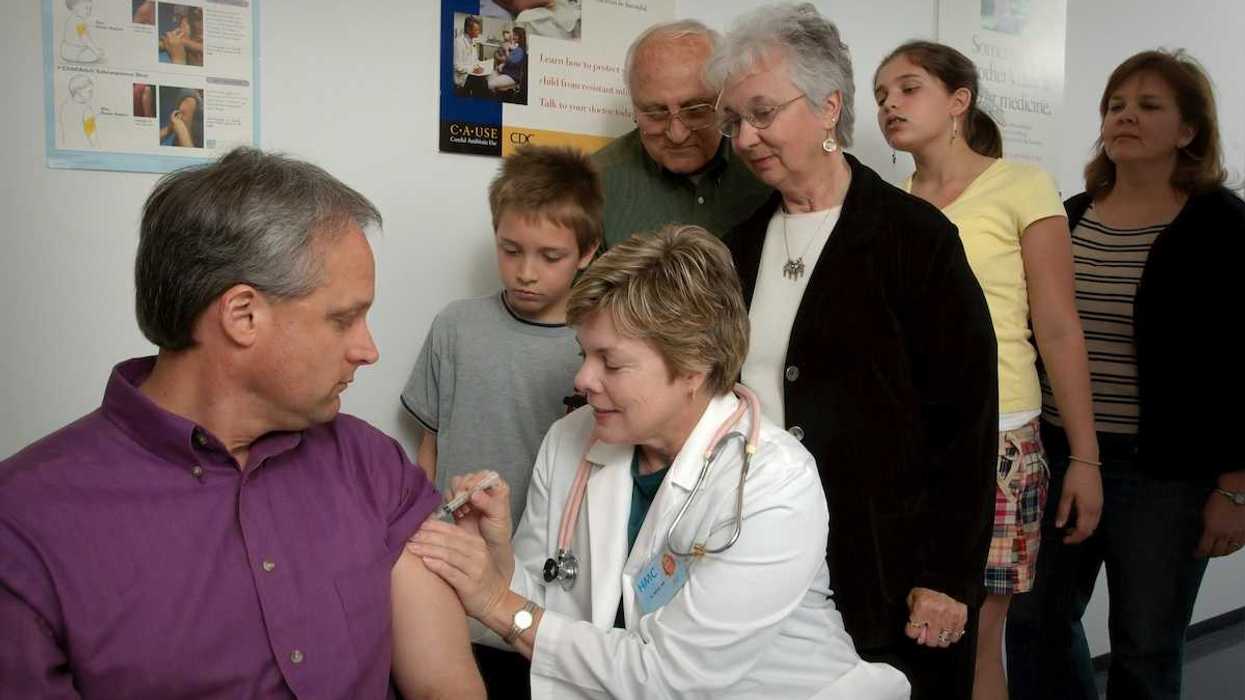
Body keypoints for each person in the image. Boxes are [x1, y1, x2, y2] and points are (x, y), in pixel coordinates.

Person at [0, 148, 484, 699]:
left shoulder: (373, 467)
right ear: (243, 315)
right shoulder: (23, 526)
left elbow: (447, 688)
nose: (368, 349)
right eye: (343, 319)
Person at [407, 226, 911, 699]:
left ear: (694, 365)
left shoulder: (773, 483)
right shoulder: (571, 439)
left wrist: (498, 604)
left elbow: (672, 677)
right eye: (584, 354)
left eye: (611, 362)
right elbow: (548, 604)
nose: (582, 379)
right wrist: (495, 558)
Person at [709, 5, 998, 698]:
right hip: (757, 557)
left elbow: (966, 420)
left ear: (828, 107)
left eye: (761, 114)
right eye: (733, 121)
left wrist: (946, 577)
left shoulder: (913, 239)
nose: (744, 138)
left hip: (885, 569)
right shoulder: (735, 246)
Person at [1006, 49, 1245, 700]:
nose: (1125, 117)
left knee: (1145, 645)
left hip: (1166, 476)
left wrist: (1235, 488)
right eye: (1115, 105)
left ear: (1188, 130)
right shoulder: (1069, 215)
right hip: (1060, 456)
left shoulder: (1221, 225)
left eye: (1148, 106)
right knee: (1033, 623)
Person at [873, 40, 1101, 700]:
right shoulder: (885, 204)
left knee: (976, 638)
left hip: (999, 438)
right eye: (880, 95)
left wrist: (1084, 457)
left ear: (958, 101)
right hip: (908, 443)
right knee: (904, 634)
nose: (889, 104)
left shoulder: (1021, 184)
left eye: (907, 88)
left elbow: (1057, 327)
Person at [401, 145, 601, 698]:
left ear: (587, 252)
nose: (526, 272)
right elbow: (430, 448)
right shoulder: (456, 327)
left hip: (549, 599)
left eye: (550, 256)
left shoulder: (597, 348)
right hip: (451, 587)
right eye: (510, 250)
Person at [590, 20, 770, 247]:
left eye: (695, 111)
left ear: (726, 100)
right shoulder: (592, 185)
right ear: (634, 110)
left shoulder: (767, 162)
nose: (677, 135)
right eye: (656, 113)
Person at [453, 15, 489, 99]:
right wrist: (473, 69)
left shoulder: (472, 41)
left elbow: (475, 60)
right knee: (482, 82)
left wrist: (480, 66)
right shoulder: (458, 42)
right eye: (476, 30)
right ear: (468, 29)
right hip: (462, 77)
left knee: (484, 79)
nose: (478, 32)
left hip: (471, 73)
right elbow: (457, 66)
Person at [489, 26, 526, 94]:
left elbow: (510, 61)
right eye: (513, 35)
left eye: (515, 35)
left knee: (490, 84)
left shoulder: (520, 50)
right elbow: (498, 55)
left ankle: (494, 96)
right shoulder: (515, 47)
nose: (513, 37)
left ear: (520, 37)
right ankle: (495, 95)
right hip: (505, 72)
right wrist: (502, 64)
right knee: (488, 78)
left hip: (512, 76)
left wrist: (506, 50)